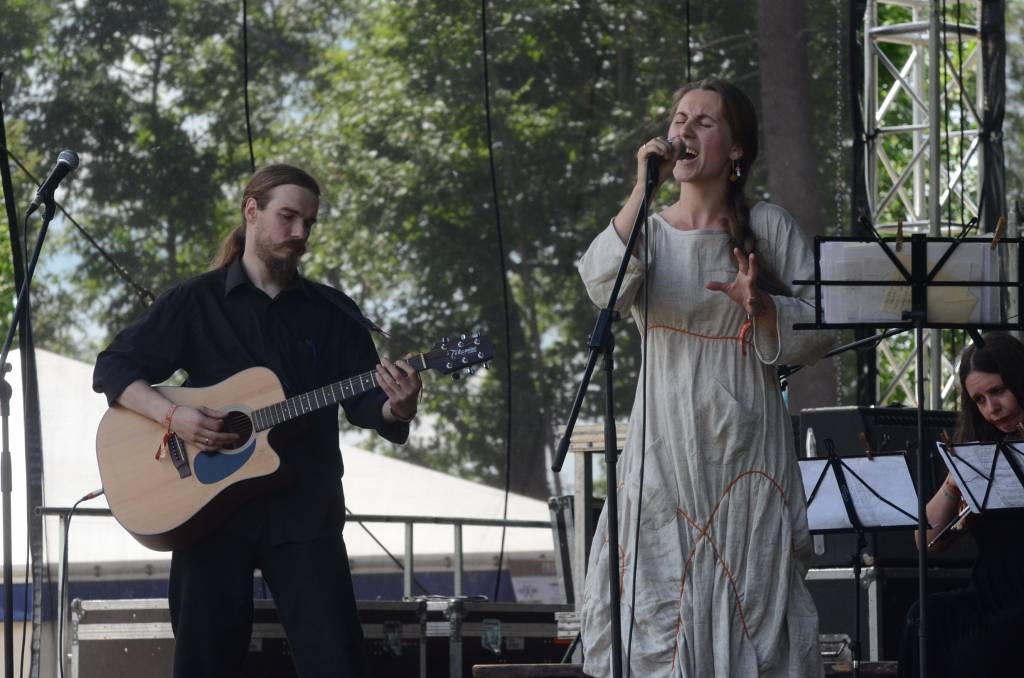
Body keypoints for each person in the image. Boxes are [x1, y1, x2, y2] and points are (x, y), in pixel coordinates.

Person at [92, 164, 422, 678]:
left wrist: (398, 406)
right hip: (205, 512)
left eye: (308, 223)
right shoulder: (195, 301)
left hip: (305, 512)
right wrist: (174, 416)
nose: (300, 232)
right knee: (204, 665)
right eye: (288, 217)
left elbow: (364, 403)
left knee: (336, 663)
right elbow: (113, 368)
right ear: (251, 211)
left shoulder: (333, 312)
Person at [577, 78, 835, 677]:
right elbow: (600, 284)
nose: (684, 130)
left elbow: (825, 325)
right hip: (663, 443)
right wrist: (643, 187)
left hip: (744, 446)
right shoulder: (647, 230)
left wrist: (763, 308)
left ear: (737, 149)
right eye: (679, 118)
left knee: (752, 599)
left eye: (704, 122)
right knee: (656, 597)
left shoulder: (769, 226)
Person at [897, 332, 1024, 678]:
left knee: (989, 641)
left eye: (998, 391)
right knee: (924, 617)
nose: (991, 408)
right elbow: (926, 541)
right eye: (979, 400)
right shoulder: (981, 449)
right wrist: (954, 483)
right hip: (991, 594)